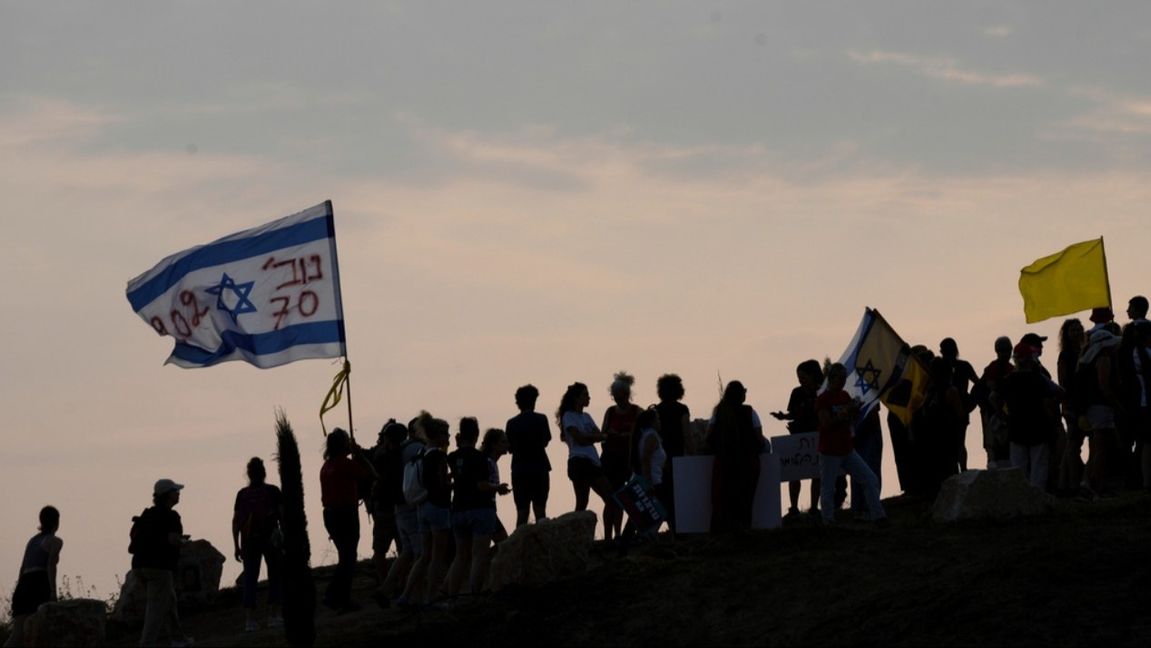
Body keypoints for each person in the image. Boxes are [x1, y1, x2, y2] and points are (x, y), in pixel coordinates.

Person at [815, 365, 887, 527]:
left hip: (846, 448)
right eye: (840, 378)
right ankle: (828, 520)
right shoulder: (823, 400)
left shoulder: (844, 396)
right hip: (830, 450)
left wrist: (854, 410)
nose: (842, 382)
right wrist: (843, 415)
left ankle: (878, 515)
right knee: (828, 488)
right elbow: (825, 423)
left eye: (844, 378)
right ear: (832, 379)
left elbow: (852, 419)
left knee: (870, 479)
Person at [446, 418, 506, 598]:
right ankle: (475, 593)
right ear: (476, 435)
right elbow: (481, 486)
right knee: (480, 554)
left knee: (461, 556)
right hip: (480, 508)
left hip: (458, 509)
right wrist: (498, 487)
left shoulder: (453, 457)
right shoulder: (480, 458)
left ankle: (451, 595)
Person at [130, 479, 192, 648]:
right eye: (175, 491)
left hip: (138, 565)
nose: (178, 493)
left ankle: (178, 638)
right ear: (168, 495)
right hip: (158, 566)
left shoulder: (148, 514)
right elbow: (173, 540)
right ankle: (146, 643)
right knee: (156, 608)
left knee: (169, 601)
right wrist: (183, 543)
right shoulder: (172, 516)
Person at [398, 413, 452, 606]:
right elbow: (438, 484)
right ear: (437, 435)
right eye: (446, 434)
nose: (448, 438)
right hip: (438, 507)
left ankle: (406, 594)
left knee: (424, 555)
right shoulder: (438, 456)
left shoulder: (420, 454)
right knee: (438, 555)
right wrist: (451, 484)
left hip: (421, 506)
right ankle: (431, 597)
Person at [319, 428, 372, 613]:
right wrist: (359, 455)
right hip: (346, 513)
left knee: (345, 556)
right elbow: (369, 475)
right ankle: (339, 597)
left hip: (330, 515)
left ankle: (336, 596)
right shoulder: (345, 464)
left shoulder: (326, 466)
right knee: (349, 557)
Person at [997, 343, 1064, 489]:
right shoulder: (1039, 378)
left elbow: (993, 398)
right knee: (1039, 466)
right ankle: (1037, 500)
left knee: (1018, 470)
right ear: (1030, 359)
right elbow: (1060, 392)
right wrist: (1052, 408)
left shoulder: (1008, 380)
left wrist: (1004, 416)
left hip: (1016, 427)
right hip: (1038, 426)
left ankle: (1021, 502)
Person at [707, 381, 767, 532]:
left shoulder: (718, 412)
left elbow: (708, 436)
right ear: (741, 395)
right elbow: (759, 437)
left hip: (724, 462)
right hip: (747, 461)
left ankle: (723, 532)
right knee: (745, 499)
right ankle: (743, 530)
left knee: (723, 499)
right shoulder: (750, 412)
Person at [232, 457, 283, 632]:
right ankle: (273, 615)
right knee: (275, 576)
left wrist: (237, 545)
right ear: (264, 473)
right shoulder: (273, 491)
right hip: (270, 539)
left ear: (248, 474)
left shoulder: (241, 494)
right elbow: (282, 515)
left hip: (248, 541)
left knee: (250, 579)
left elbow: (236, 521)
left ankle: (250, 620)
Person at [771, 360, 823, 517]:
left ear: (812, 375)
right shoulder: (797, 393)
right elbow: (793, 413)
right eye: (799, 377)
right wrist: (783, 417)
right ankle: (794, 507)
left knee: (817, 473)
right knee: (794, 473)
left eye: (803, 376)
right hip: (798, 436)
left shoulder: (822, 392)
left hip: (816, 436)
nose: (800, 380)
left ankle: (814, 507)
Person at [5, 506, 62, 648]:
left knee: (17, 635)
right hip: (39, 584)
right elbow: (51, 567)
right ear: (57, 522)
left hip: (24, 585)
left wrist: (18, 589)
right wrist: (53, 592)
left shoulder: (32, 541)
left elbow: (22, 568)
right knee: (42, 631)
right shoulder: (55, 541)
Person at [381, 418, 425, 603]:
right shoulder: (413, 450)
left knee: (406, 551)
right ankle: (413, 594)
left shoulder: (387, 454)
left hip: (397, 506)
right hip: (411, 504)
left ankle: (385, 588)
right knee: (420, 553)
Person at [557, 382, 614, 519]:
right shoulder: (568, 416)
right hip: (579, 461)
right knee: (583, 501)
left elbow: (599, 436)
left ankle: (609, 536)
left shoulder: (587, 417)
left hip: (593, 462)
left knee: (610, 498)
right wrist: (593, 437)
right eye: (585, 395)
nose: (588, 398)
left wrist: (592, 437)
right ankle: (574, 531)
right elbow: (580, 438)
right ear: (576, 398)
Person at [1078, 329, 1124, 497]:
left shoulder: (1086, 362)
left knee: (1097, 447)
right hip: (1102, 408)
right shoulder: (1104, 358)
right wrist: (1117, 404)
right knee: (1101, 448)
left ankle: (1089, 482)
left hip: (1091, 408)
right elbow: (1104, 386)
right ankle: (1095, 483)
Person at [619, 407, 669, 554]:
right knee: (662, 511)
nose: (660, 422)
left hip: (652, 479)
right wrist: (648, 484)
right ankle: (650, 540)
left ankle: (626, 546)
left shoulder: (648, 436)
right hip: (652, 481)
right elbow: (646, 460)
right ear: (652, 422)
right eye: (658, 419)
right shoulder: (651, 436)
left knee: (636, 517)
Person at [600, 372, 641, 541]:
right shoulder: (610, 412)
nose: (618, 401)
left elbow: (641, 434)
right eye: (615, 397)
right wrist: (612, 435)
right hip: (610, 460)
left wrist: (625, 436)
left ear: (627, 395)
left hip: (628, 460)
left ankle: (619, 534)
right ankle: (609, 535)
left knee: (623, 498)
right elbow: (603, 434)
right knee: (611, 499)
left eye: (620, 397)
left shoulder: (637, 411)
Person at [369, 421, 408, 599]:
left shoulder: (381, 457)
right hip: (400, 507)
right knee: (404, 548)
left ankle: (385, 582)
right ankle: (401, 582)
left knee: (380, 549)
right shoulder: (402, 456)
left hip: (384, 508)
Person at [505, 385, 552, 528]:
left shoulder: (512, 423)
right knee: (540, 511)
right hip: (540, 468)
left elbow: (510, 448)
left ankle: (520, 547)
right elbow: (546, 441)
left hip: (520, 470)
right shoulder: (541, 419)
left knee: (522, 513)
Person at [654, 374, 692, 533]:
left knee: (663, 496)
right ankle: (676, 529)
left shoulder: (656, 410)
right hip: (678, 457)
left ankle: (656, 530)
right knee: (678, 495)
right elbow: (686, 435)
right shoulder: (682, 409)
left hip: (661, 458)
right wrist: (693, 454)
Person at [1056, 320, 1087, 494]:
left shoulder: (1084, 351)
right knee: (1073, 444)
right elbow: (1063, 382)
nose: (1076, 333)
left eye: (1078, 329)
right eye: (1072, 330)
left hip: (1084, 403)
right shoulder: (1065, 355)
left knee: (1075, 444)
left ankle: (1069, 482)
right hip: (1072, 405)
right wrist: (1066, 406)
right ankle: (1069, 483)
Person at [940, 338, 979, 472]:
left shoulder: (941, 367)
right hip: (954, 411)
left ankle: (959, 469)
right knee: (959, 442)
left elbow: (977, 384)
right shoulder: (961, 366)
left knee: (954, 443)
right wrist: (971, 403)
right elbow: (978, 384)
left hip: (952, 411)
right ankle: (960, 469)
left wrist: (970, 403)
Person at [975, 336, 1014, 469]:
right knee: (993, 443)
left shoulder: (1011, 368)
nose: (1005, 353)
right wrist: (1001, 414)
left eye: (1007, 349)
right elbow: (992, 393)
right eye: (1002, 350)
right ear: (997, 351)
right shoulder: (993, 368)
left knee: (1004, 444)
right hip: (992, 411)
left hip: (1003, 411)